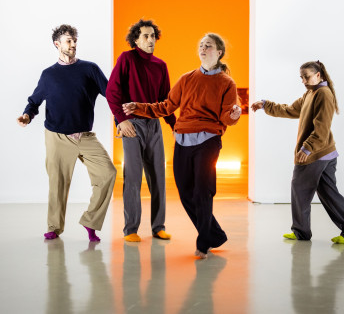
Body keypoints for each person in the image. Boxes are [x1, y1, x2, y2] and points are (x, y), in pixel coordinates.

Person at [123, 33, 242, 258]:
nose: (203, 48)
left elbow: (227, 117)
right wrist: (138, 107)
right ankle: (214, 234)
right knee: (186, 192)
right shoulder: (187, 78)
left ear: (219, 53)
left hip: (208, 140)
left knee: (202, 192)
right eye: (201, 45)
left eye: (209, 45)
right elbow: (166, 106)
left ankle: (203, 241)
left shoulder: (227, 83)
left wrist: (234, 114)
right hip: (183, 140)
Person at [17, 24, 116, 242]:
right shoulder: (48, 75)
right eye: (68, 41)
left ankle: (90, 222)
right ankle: (54, 227)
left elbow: (111, 94)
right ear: (57, 44)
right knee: (58, 183)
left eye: (74, 40)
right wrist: (27, 116)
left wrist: (120, 119)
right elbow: (34, 102)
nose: (72, 44)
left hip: (85, 136)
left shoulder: (89, 69)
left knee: (107, 173)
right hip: (57, 136)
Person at [251, 60, 344, 244]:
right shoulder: (311, 93)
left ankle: (301, 232)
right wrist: (265, 104)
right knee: (329, 194)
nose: (303, 80)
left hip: (315, 154)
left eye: (306, 76)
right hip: (325, 153)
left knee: (299, 189)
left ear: (319, 75)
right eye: (301, 77)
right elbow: (290, 110)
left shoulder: (323, 94)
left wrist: (307, 147)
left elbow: (322, 127)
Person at [106, 19, 176, 242]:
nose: (150, 39)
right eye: (145, 36)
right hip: (132, 125)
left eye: (153, 36)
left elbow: (166, 101)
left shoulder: (161, 66)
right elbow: (112, 92)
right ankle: (131, 229)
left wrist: (175, 126)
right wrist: (121, 120)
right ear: (135, 40)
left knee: (158, 178)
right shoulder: (126, 59)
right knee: (133, 178)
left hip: (154, 125)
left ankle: (158, 227)